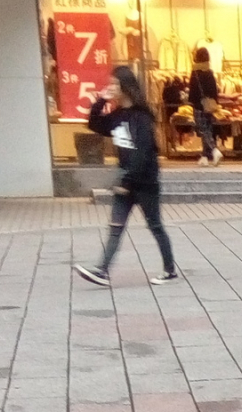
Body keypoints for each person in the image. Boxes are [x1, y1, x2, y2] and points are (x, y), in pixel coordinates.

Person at [75, 67, 177, 287]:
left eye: (114, 84)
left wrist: (127, 181)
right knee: (116, 227)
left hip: (144, 182)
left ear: (125, 86)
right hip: (125, 180)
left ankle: (170, 270)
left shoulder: (142, 117)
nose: (111, 87)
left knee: (155, 226)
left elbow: (143, 152)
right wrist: (101, 101)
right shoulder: (118, 115)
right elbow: (94, 124)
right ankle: (102, 271)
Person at [189, 47, 223, 166]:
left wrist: (192, 102)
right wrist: (214, 102)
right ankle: (205, 156)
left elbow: (193, 90)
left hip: (199, 105)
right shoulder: (209, 72)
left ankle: (214, 150)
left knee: (202, 129)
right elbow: (214, 90)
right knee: (208, 128)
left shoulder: (195, 73)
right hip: (210, 105)